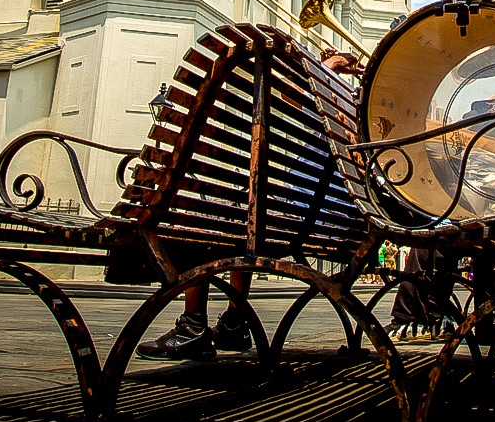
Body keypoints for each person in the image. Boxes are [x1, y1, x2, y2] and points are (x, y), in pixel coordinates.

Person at [137, 47, 359, 361]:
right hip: (325, 220)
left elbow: (291, 96)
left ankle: (193, 326)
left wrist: (324, 69)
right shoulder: (366, 118)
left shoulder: (349, 109)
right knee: (244, 222)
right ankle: (233, 322)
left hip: (300, 218)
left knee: (203, 218)